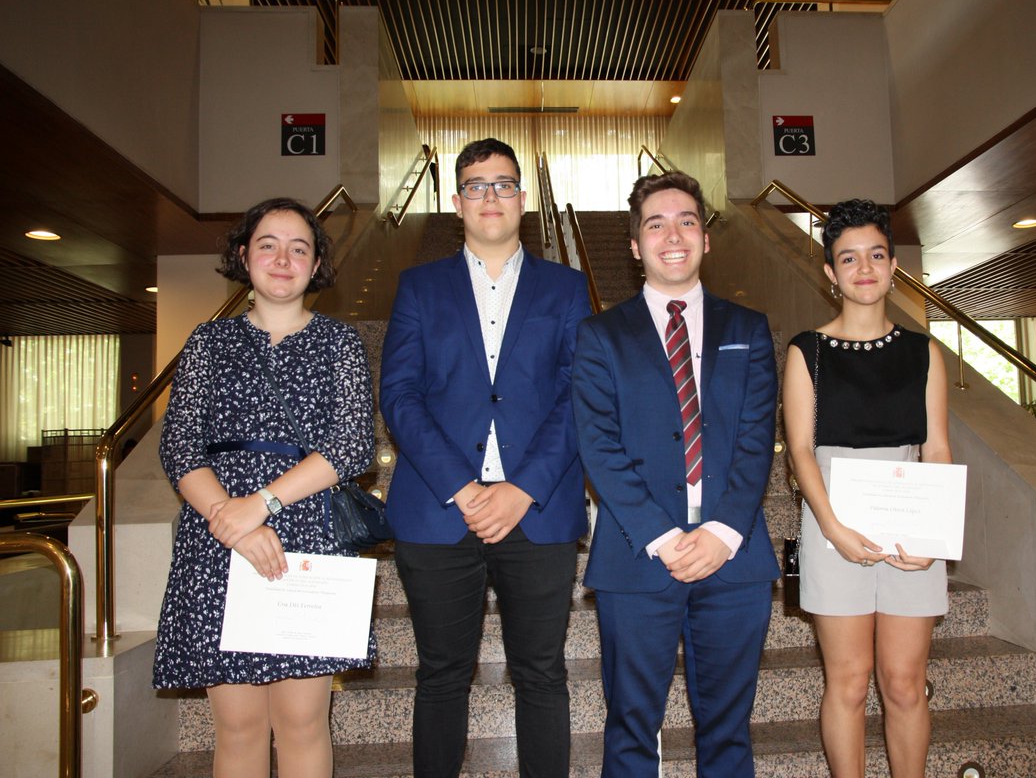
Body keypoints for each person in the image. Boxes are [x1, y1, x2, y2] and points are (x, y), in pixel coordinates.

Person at [379, 138, 591, 777]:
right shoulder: (419, 286)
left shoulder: (567, 287)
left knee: (542, 673)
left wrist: (521, 487)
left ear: (524, 199)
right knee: (441, 674)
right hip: (439, 511)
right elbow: (400, 395)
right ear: (457, 202)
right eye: (476, 185)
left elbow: (580, 394)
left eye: (503, 184)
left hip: (538, 510)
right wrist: (464, 488)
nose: (490, 196)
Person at [154, 197, 376, 778]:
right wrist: (231, 521)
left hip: (307, 536)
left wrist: (261, 505)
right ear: (243, 256)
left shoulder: (341, 343)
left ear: (316, 264)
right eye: (268, 245)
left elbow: (351, 446)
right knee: (238, 728)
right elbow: (180, 446)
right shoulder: (206, 342)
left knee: (302, 724)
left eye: (299, 248)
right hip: (218, 539)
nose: (283, 258)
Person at [572, 171, 780, 777]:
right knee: (632, 729)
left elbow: (754, 442)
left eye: (687, 221)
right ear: (635, 245)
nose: (673, 234)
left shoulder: (748, 329)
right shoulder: (600, 335)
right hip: (638, 558)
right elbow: (598, 446)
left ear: (705, 240)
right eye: (655, 224)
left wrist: (721, 532)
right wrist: (665, 538)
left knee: (728, 731)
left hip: (734, 557)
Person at [780, 198, 952, 777]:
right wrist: (831, 529)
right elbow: (801, 450)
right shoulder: (808, 351)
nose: (863, 268)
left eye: (875, 254)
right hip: (835, 525)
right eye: (848, 258)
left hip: (910, 526)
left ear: (893, 263)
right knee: (849, 682)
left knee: (904, 683)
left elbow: (937, 449)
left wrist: (935, 535)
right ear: (830, 273)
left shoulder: (923, 351)